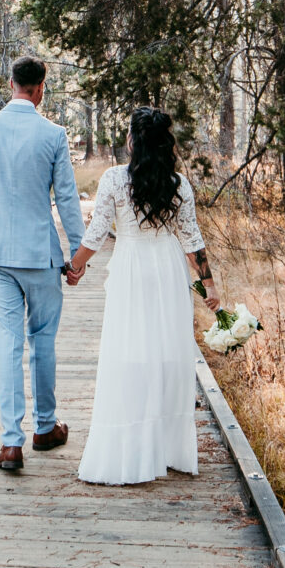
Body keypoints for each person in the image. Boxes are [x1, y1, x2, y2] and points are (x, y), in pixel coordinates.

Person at [69, 105, 211, 485]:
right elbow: (192, 239)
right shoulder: (179, 184)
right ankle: (166, 448)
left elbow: (97, 233)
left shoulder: (115, 179)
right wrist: (208, 287)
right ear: (166, 143)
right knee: (167, 354)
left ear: (132, 140)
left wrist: (75, 266)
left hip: (132, 270)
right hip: (168, 270)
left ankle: (132, 449)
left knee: (128, 352)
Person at [0, 56, 85, 472]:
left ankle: (10, 444)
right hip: (40, 254)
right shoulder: (53, 135)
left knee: (9, 344)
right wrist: (78, 253)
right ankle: (45, 427)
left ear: (11, 83)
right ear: (41, 88)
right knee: (43, 339)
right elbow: (67, 197)